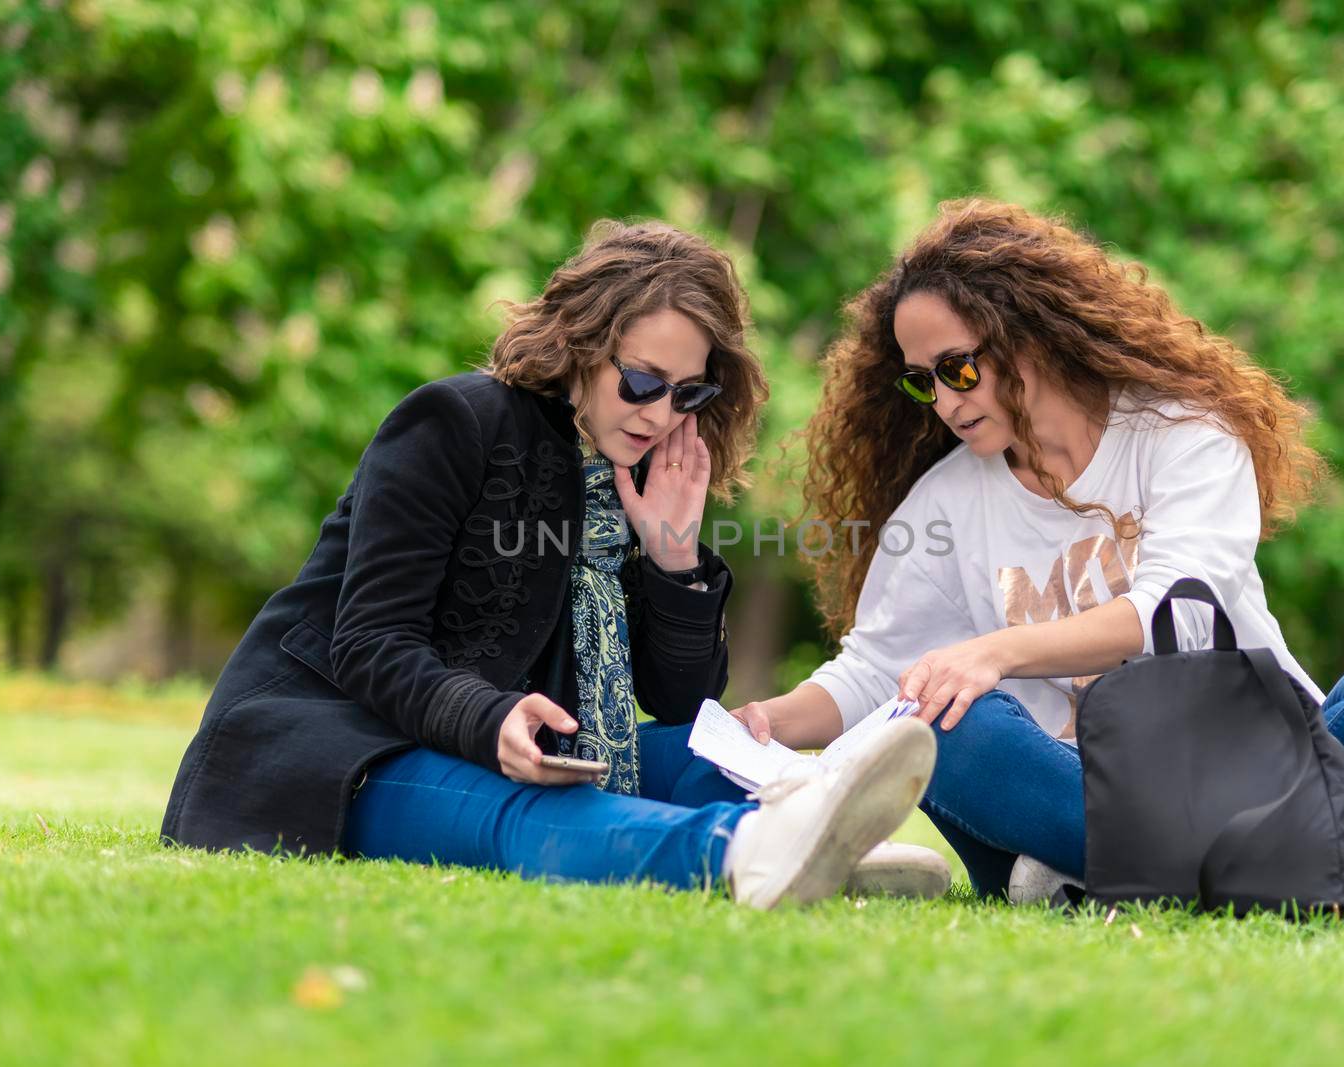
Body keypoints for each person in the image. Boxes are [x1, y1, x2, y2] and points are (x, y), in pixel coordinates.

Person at [160, 220, 938, 909]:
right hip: (344, 748)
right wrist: (489, 715)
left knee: (704, 753)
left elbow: (676, 700)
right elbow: (369, 642)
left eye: (688, 392)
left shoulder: (639, 473)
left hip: (521, 741)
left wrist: (672, 559)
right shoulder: (454, 422)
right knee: (532, 815)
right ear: (581, 343)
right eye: (641, 382)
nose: (661, 414)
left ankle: (812, 826)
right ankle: (749, 849)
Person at [730, 199, 1344, 901]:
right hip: (1080, 792)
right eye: (923, 382)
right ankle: (1281, 875)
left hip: (1260, 775)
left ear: (1027, 331)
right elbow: (875, 669)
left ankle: (1105, 880)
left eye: (959, 368)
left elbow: (1177, 613)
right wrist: (765, 720)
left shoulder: (1186, 434)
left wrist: (998, 649)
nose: (947, 399)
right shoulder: (947, 501)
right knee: (937, 724)